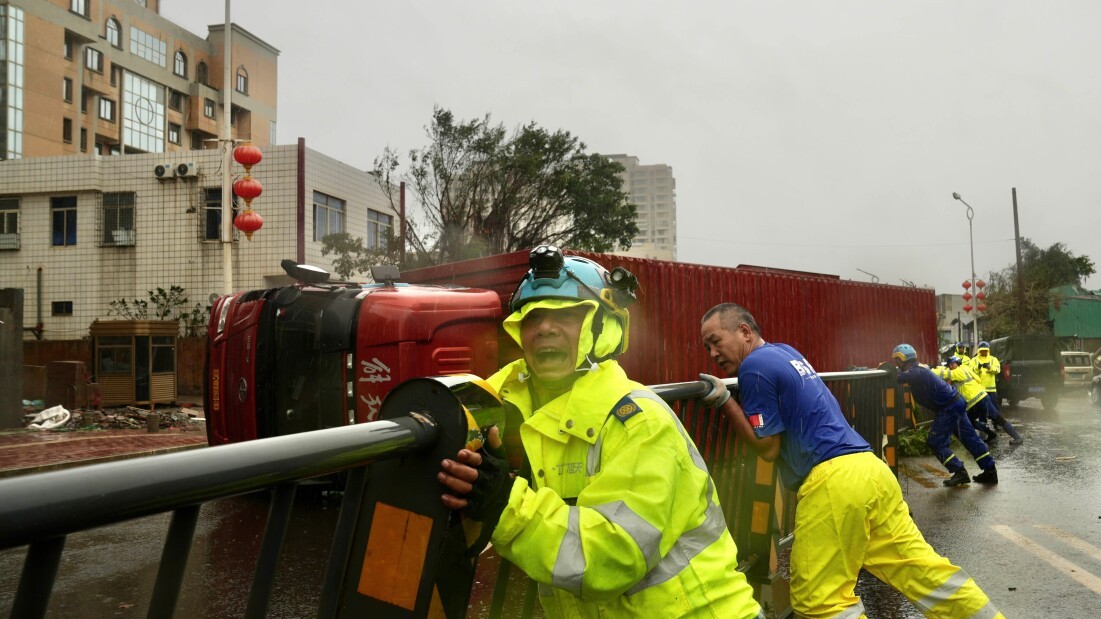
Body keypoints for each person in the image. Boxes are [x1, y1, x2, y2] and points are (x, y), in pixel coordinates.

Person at [438, 246, 763, 619]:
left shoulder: (642, 424)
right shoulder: (513, 410)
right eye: (534, 316)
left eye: (568, 314)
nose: (544, 327)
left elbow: (612, 555)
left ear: (604, 329)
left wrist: (503, 503)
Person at [700, 303, 1004, 619]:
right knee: (924, 574)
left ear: (745, 331)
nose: (712, 352)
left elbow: (767, 448)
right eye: (707, 346)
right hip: (869, 469)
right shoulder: (784, 352)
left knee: (820, 600)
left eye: (716, 340)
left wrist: (724, 399)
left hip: (834, 483)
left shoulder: (754, 368)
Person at [893, 344, 999, 485]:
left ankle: (959, 471)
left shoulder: (917, 371)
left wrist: (888, 373)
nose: (896, 363)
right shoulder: (919, 369)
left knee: (936, 441)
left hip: (949, 407)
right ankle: (990, 471)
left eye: (897, 360)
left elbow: (901, 377)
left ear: (902, 359)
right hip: (955, 403)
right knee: (970, 438)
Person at [935, 355, 1024, 445]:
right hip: (979, 399)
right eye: (949, 365)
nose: (950, 367)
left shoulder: (959, 371)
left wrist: (930, 370)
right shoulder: (967, 369)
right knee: (970, 421)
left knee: (997, 418)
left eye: (951, 365)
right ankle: (992, 435)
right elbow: (978, 379)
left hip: (977, 400)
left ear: (957, 364)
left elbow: (944, 373)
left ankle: (1017, 438)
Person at [969, 341, 1001, 408]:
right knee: (981, 409)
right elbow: (970, 371)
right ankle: (982, 418)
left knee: (994, 407)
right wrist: (978, 368)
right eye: (982, 351)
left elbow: (998, 370)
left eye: (985, 350)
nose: (983, 352)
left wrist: (990, 367)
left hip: (991, 389)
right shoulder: (974, 360)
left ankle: (995, 418)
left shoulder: (993, 359)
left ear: (988, 350)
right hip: (979, 389)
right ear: (979, 351)